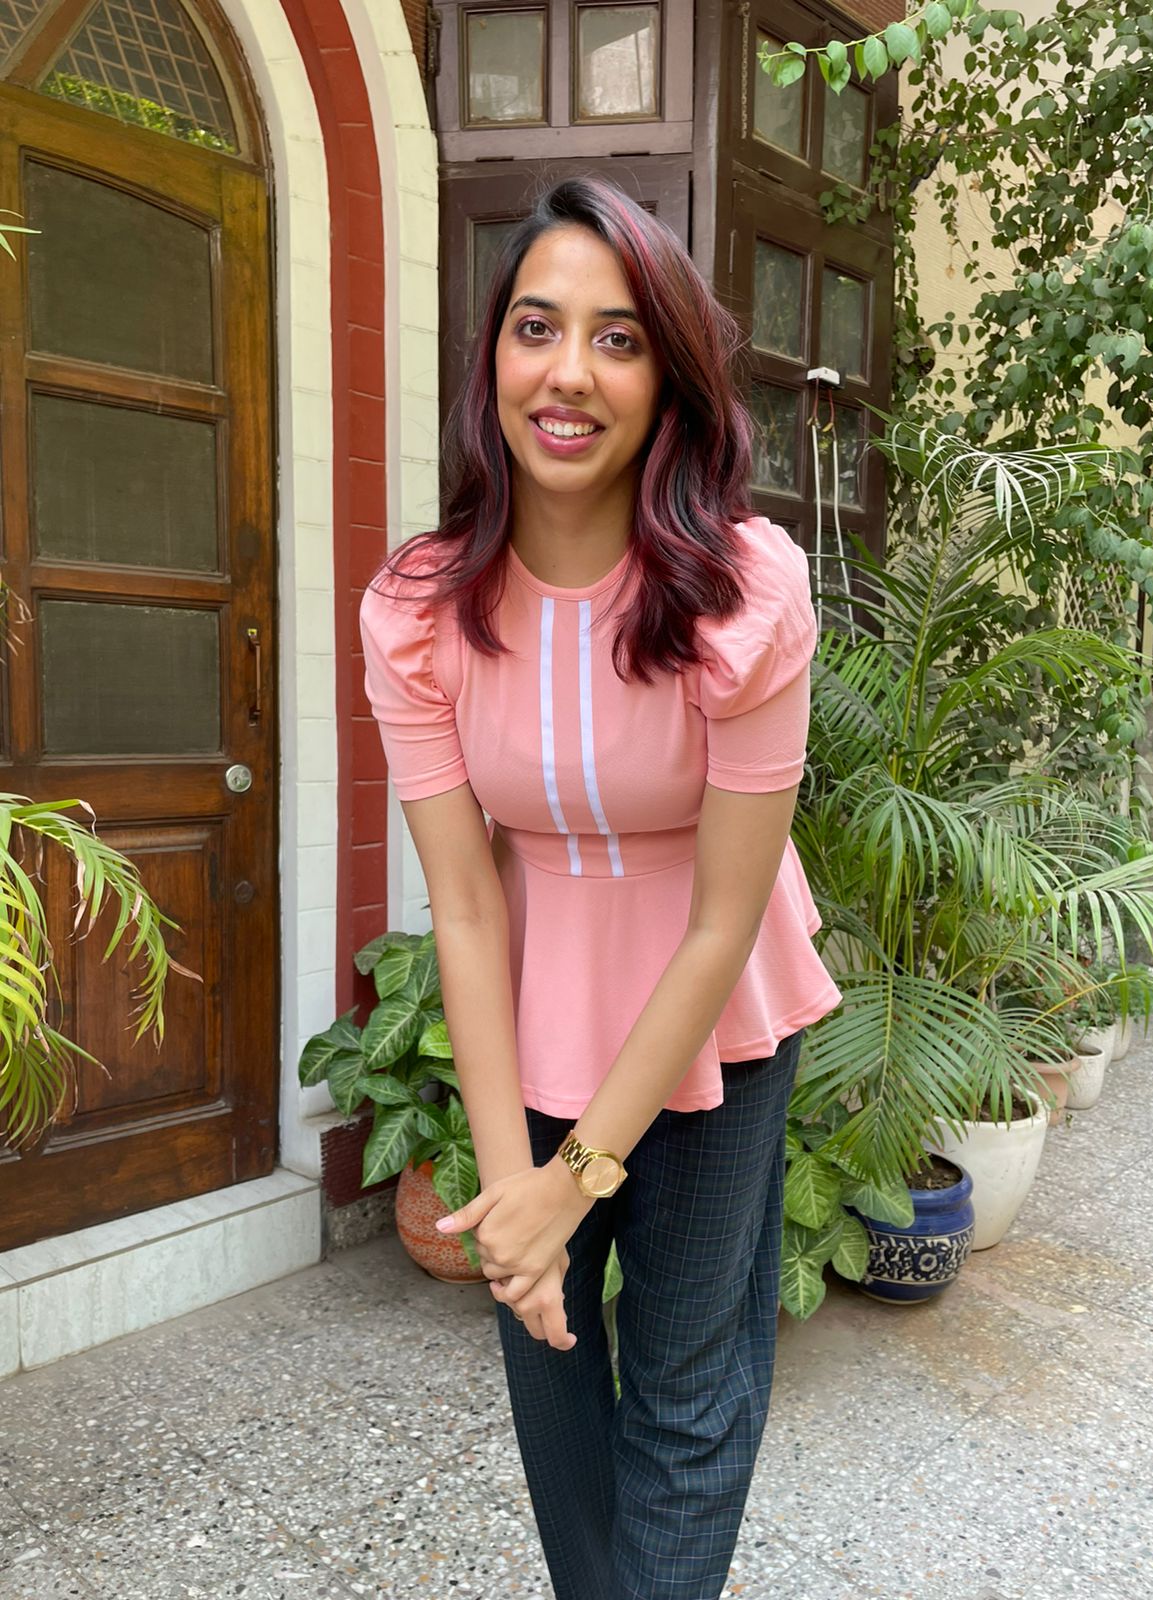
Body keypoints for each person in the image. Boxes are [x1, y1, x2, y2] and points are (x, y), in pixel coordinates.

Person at [359, 175, 843, 1600]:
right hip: (531, 1014)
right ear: (492, 360)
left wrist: (578, 1180)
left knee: (691, 1386)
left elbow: (723, 918)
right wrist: (514, 1189)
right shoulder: (418, 608)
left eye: (618, 338)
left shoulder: (744, 597)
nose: (568, 373)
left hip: (718, 1013)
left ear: (669, 377)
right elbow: (465, 904)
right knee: (548, 1370)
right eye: (536, 327)